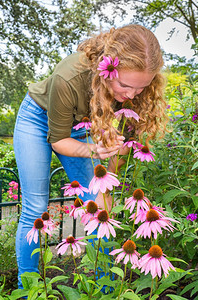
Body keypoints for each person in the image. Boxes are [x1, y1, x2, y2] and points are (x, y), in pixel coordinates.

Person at [13, 24, 168, 289]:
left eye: (141, 88)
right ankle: (28, 290)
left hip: (81, 124)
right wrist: (95, 149)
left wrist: (105, 187)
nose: (131, 95)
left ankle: (103, 289)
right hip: (37, 119)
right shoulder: (69, 76)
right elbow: (60, 140)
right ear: (109, 69)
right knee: (35, 209)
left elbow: (119, 153)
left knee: (101, 208)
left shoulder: (134, 94)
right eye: (125, 85)